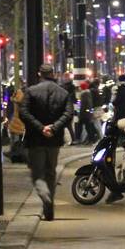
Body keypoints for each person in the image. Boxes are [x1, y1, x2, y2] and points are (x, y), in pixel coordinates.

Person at [18, 64, 74, 220]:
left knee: (38, 174)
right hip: (54, 140)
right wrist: (54, 128)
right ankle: (49, 207)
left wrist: (40, 127)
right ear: (53, 74)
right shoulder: (63, 93)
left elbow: (23, 112)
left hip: (35, 139)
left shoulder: (31, 92)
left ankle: (45, 196)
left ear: (39, 74)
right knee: (50, 172)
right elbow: (68, 114)